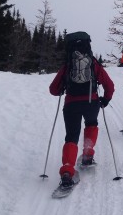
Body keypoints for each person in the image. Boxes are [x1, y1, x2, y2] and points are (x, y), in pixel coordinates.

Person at [49, 31, 114, 188]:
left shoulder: (68, 65)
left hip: (71, 104)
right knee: (91, 124)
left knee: (71, 136)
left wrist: (64, 89)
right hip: (91, 102)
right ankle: (87, 155)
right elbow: (109, 85)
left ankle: (67, 172)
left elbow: (53, 89)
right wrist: (105, 100)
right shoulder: (93, 63)